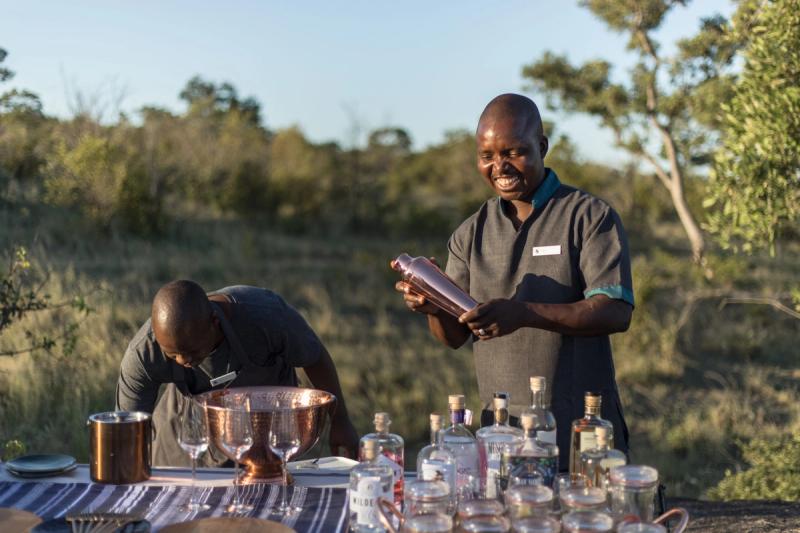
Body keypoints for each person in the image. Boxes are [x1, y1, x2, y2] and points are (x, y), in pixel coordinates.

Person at [396, 94, 634, 463]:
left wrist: (523, 314)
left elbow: (616, 312)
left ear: (542, 147)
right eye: (487, 156)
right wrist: (433, 307)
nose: (499, 167)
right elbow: (455, 337)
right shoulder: (470, 233)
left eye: (514, 152)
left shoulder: (588, 216)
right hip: (501, 433)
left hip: (581, 427)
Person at [117, 280, 359, 466]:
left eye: (193, 351)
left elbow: (314, 357)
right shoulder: (143, 353)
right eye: (173, 355)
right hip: (185, 444)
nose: (185, 361)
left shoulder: (265, 316)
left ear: (214, 322)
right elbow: (126, 432)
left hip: (266, 440)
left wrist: (340, 420)